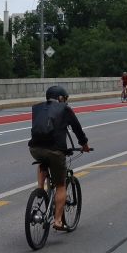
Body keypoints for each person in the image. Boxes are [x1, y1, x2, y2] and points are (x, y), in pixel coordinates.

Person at [29, 85, 91, 232]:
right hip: (56, 151)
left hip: (34, 149)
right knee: (61, 185)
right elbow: (77, 129)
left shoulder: (37, 108)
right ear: (61, 98)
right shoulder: (65, 109)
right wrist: (84, 145)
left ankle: (40, 190)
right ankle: (57, 220)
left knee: (43, 161)